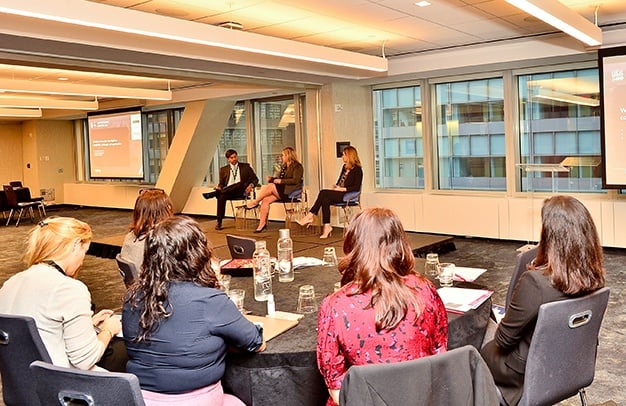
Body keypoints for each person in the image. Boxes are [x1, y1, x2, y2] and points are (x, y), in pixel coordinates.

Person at [123, 216, 265, 405]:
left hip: (139, 399)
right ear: (198, 254)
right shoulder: (210, 301)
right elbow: (256, 342)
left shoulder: (133, 297)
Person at [481, 195, 605, 406]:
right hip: (570, 364)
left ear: (550, 237)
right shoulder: (595, 279)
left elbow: (503, 340)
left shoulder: (535, 282)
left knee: (476, 340)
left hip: (524, 371)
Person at [317, 207, 448, 406]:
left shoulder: (335, 306)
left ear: (353, 244)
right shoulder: (425, 289)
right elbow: (440, 356)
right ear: (400, 242)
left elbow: (338, 392)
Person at [0, 217, 124, 372]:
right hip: (59, 380)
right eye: (84, 252)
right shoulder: (69, 289)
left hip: (21, 378)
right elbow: (85, 360)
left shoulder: (10, 283)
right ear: (75, 245)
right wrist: (108, 330)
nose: (82, 262)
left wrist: (87, 324)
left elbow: (40, 330)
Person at [297, 146, 363, 238]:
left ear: (349, 156)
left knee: (323, 192)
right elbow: (340, 181)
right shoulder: (344, 167)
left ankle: (310, 215)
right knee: (325, 200)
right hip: (340, 192)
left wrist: (342, 189)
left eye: (343, 155)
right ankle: (327, 226)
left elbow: (356, 187)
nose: (342, 157)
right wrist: (336, 187)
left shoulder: (358, 170)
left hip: (347, 194)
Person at [245, 146, 303, 233]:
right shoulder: (284, 166)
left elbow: (296, 180)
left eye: (283, 155)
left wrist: (280, 181)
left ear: (288, 156)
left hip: (290, 192)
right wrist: (273, 179)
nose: (281, 157)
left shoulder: (298, 166)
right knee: (265, 200)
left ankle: (255, 202)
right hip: (282, 190)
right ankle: (262, 225)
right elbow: (280, 179)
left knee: (271, 186)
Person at [203, 149, 259, 230]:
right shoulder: (223, 169)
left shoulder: (246, 167)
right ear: (228, 159)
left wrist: (251, 186)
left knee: (239, 184)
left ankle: (214, 193)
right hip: (228, 192)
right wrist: (219, 187)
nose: (234, 159)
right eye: (232, 158)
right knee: (221, 196)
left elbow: (255, 179)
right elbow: (222, 184)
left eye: (235, 157)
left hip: (242, 191)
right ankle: (219, 221)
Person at [120, 188, 174, 271]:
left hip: (139, 278)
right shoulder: (161, 243)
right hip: (153, 278)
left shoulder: (129, 237)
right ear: (167, 209)